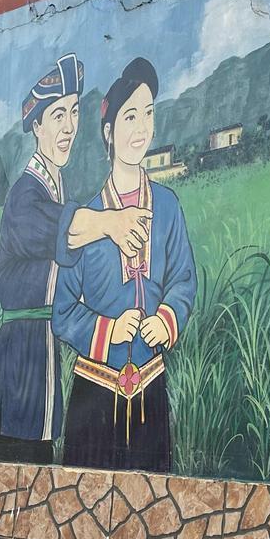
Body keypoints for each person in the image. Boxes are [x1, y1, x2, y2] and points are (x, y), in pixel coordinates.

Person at [0, 53, 152, 465]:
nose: (70, 126)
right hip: (21, 360)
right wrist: (112, 222)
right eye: (57, 115)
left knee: (40, 460)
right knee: (19, 465)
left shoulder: (55, 188)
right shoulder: (25, 195)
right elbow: (67, 229)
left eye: (73, 112)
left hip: (43, 352)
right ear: (37, 127)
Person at [53, 57, 196, 471]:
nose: (141, 128)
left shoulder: (167, 207)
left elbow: (184, 278)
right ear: (108, 132)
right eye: (130, 117)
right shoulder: (88, 219)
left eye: (148, 114)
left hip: (151, 384)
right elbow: (62, 311)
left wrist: (167, 319)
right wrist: (109, 330)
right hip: (94, 391)